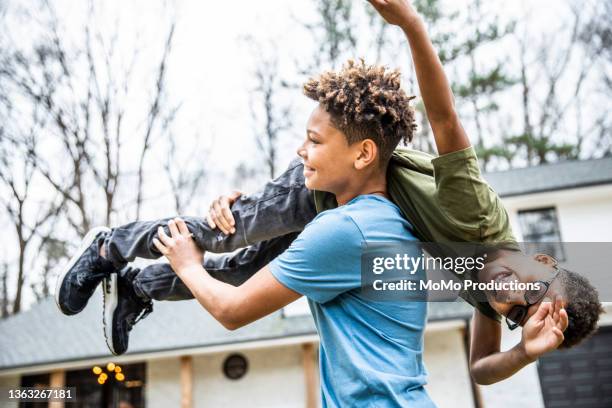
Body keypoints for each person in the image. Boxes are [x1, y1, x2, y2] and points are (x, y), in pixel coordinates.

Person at [56, 0, 602, 391]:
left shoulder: (487, 294)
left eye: (518, 312)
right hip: (333, 181)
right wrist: (412, 24)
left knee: (238, 275)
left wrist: (521, 353)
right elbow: (445, 120)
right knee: (229, 229)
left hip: (342, 215)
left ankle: (138, 287)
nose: (511, 295)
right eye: (531, 288)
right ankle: (112, 247)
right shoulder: (481, 220)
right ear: (543, 259)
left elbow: (481, 367)